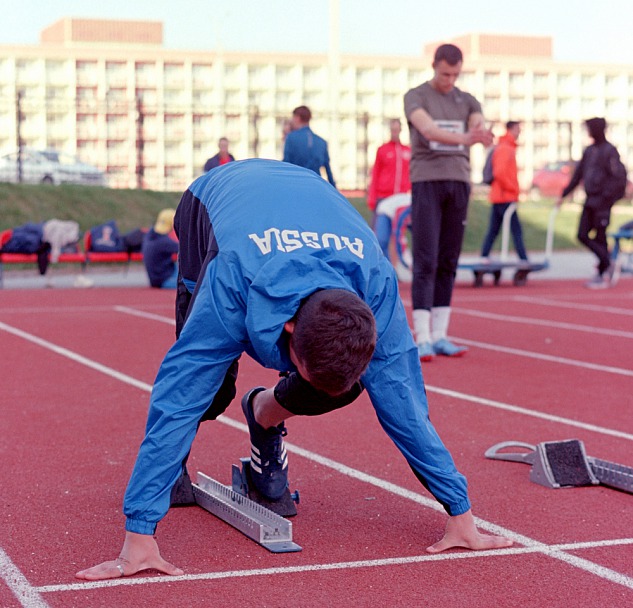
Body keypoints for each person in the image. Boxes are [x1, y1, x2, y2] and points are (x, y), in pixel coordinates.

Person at [75, 159, 512, 581]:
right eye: (299, 367)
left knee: (348, 387)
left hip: (306, 194)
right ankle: (173, 473)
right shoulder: (231, 282)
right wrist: (139, 534)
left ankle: (263, 414)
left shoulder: (377, 290)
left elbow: (406, 405)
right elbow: (177, 395)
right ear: (288, 327)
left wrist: (460, 514)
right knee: (206, 393)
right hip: (214, 198)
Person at [404, 43, 493, 362]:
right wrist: (467, 139)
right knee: (426, 258)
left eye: (455, 74)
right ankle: (422, 336)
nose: (449, 80)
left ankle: (440, 334)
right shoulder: (416, 96)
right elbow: (427, 128)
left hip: (458, 181)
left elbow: (477, 121)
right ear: (434, 66)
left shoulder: (466, 99)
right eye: (444, 73)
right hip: (427, 180)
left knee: (448, 260)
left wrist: (481, 132)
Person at [556, 117, 624, 289]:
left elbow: (619, 178)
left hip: (603, 201)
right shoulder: (589, 151)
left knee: (600, 237)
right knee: (582, 234)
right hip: (590, 200)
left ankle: (602, 272)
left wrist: (607, 197)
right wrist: (563, 194)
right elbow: (577, 175)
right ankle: (608, 261)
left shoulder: (610, 151)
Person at [480, 121, 529, 264]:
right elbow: (500, 173)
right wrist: (513, 189)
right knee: (515, 229)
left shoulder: (506, 147)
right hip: (505, 196)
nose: (519, 132)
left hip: (500, 195)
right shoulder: (505, 148)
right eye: (517, 129)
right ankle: (523, 258)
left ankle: (484, 255)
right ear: (511, 129)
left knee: (494, 229)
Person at [368, 118, 411, 259]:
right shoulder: (382, 150)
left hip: (402, 200)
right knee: (380, 238)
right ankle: (385, 269)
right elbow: (375, 174)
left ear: (401, 130)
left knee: (398, 238)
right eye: (392, 129)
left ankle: (398, 269)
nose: (395, 132)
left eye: (397, 129)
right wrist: (372, 198)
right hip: (384, 198)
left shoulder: (408, 151)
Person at [283, 105, 336, 187]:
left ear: (297, 117)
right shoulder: (322, 142)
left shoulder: (291, 138)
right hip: (316, 186)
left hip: (296, 185)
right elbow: (328, 172)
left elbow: (286, 165)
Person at [142, 208, 179, 289]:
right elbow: (186, 250)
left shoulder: (149, 235)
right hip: (164, 281)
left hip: (154, 279)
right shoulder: (164, 242)